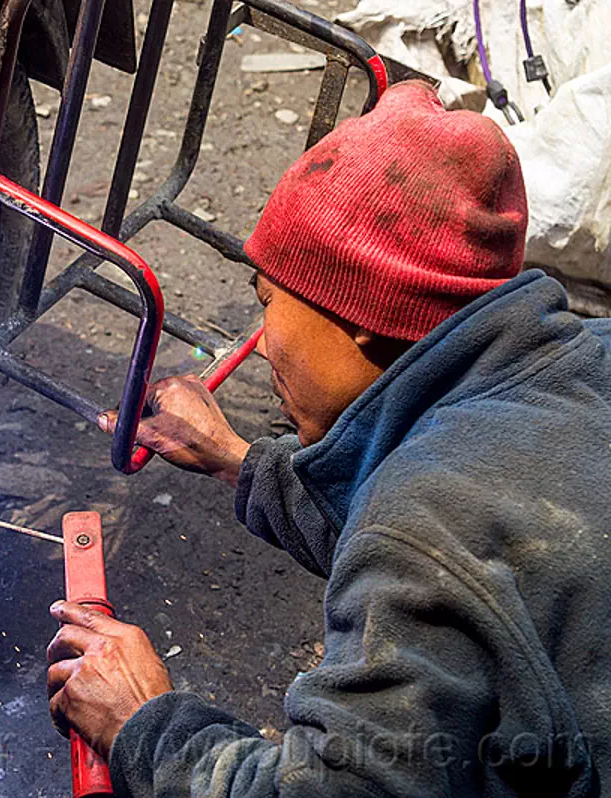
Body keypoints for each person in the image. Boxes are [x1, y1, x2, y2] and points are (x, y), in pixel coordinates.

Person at [46, 79, 611, 796]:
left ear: (363, 313)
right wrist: (241, 462)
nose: (264, 342)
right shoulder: (587, 359)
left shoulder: (422, 531)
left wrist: (144, 724)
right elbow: (479, 562)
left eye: (268, 301)